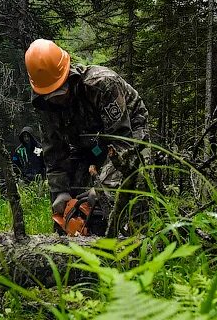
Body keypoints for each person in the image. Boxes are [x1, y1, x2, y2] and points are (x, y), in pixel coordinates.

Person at [24, 38, 150, 236]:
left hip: (128, 130)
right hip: (85, 141)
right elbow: (54, 152)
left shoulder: (101, 84)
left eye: (61, 92)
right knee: (75, 196)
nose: (57, 99)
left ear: (69, 76)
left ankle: (132, 236)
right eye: (51, 96)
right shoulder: (45, 104)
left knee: (132, 185)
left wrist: (103, 188)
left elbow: (122, 142)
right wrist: (60, 192)